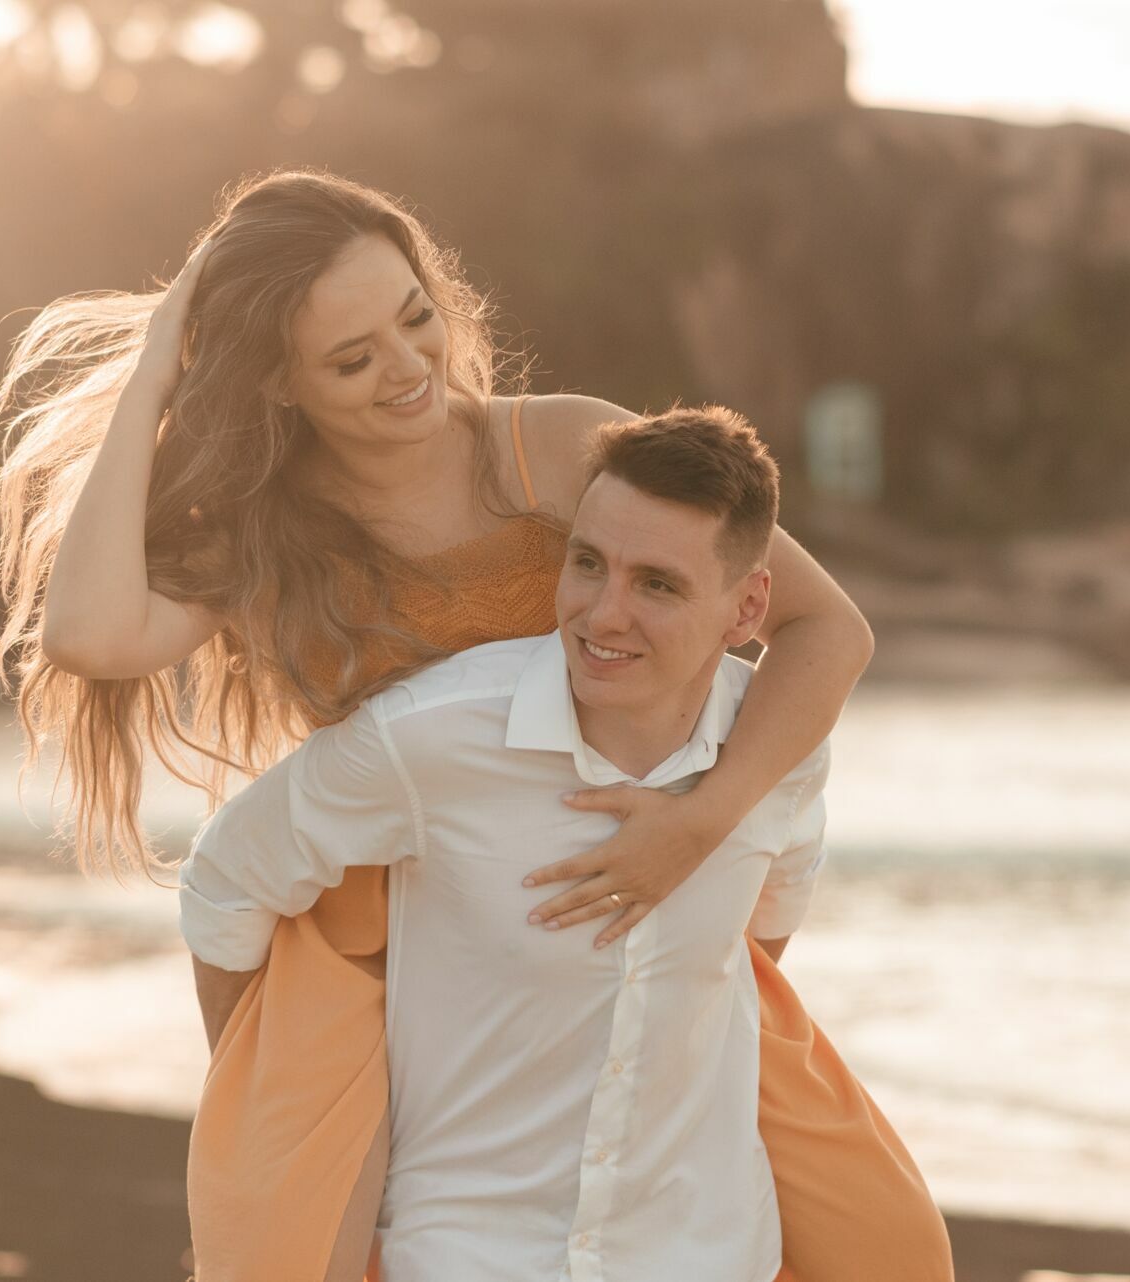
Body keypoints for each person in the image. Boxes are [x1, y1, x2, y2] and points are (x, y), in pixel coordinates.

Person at [0, 169, 951, 1282]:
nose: (409, 372)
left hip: (614, 862)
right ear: (280, 384)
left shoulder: (557, 448)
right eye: (352, 359)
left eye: (415, 317)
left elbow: (827, 632)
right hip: (375, 925)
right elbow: (91, 637)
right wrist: (161, 364)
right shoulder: (270, 525)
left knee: (871, 1238)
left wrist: (696, 827)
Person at [180, 407, 845, 1280]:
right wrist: (279, 1137)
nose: (604, 615)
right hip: (460, 1254)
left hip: (707, 1253)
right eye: (588, 563)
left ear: (748, 607)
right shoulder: (429, 738)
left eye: (658, 585)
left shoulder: (780, 751)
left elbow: (760, 943)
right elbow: (226, 884)